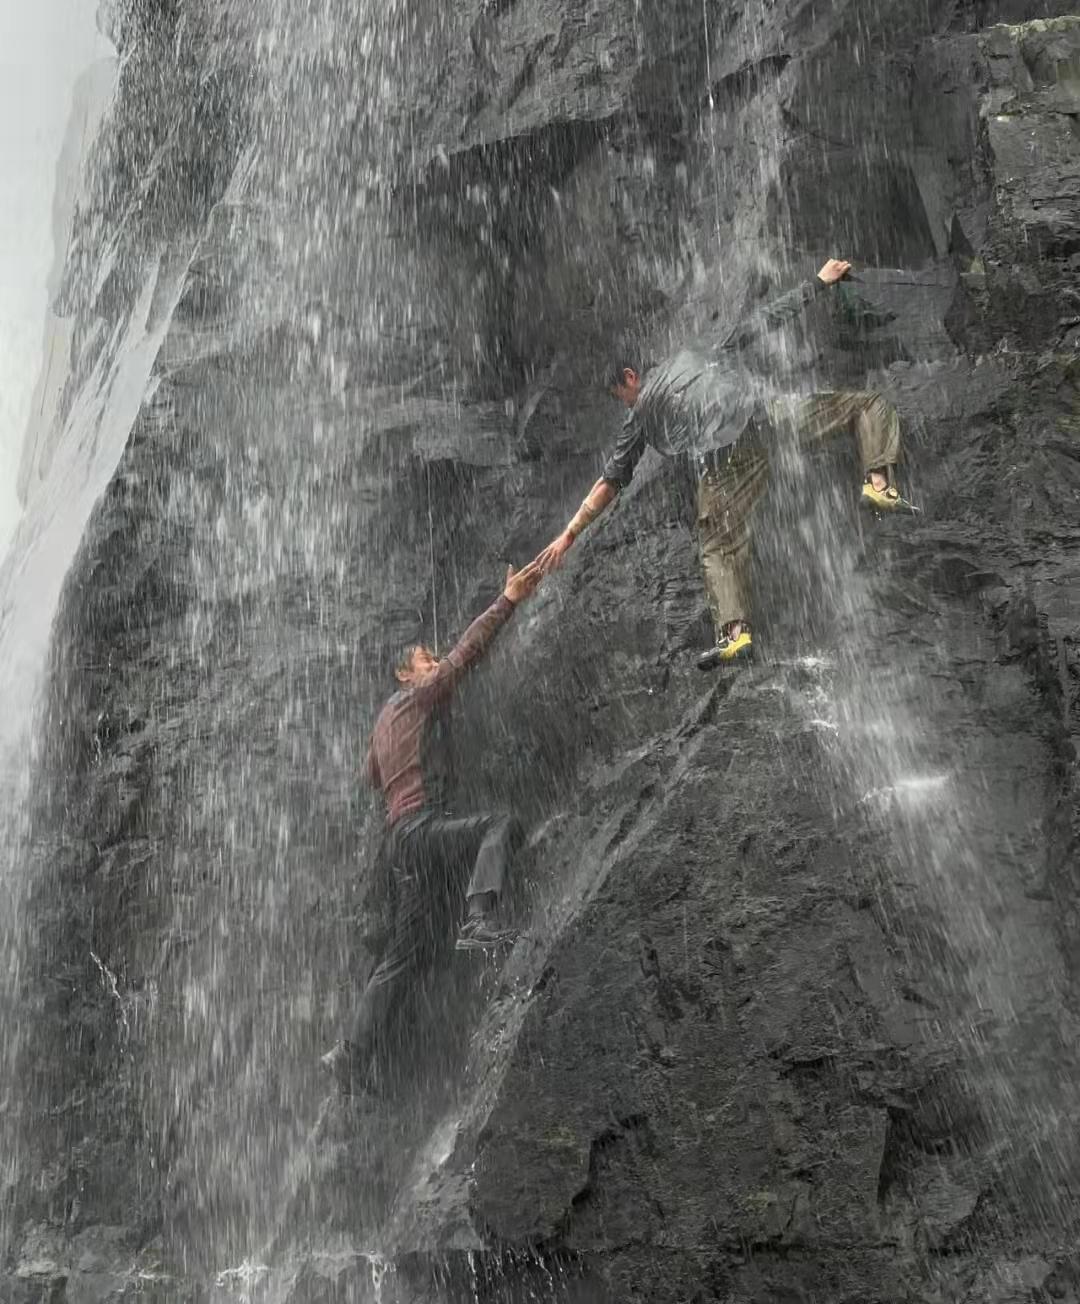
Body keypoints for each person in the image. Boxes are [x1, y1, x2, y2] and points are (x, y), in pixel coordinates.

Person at [534, 259, 917, 669]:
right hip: (763, 418)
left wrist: (568, 536)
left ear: (630, 378)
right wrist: (817, 283)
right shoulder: (697, 352)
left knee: (718, 543)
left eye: (620, 395)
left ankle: (736, 635)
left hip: (723, 458)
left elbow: (608, 483)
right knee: (865, 405)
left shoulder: (641, 412)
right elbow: (761, 321)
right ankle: (878, 483)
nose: (625, 404)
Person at [321, 561, 542, 1093]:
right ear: (405, 674)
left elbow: (371, 774)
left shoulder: (382, 723)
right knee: (502, 824)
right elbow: (463, 659)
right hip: (421, 829)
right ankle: (479, 917)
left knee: (405, 955)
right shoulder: (418, 695)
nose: (435, 663)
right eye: (425, 660)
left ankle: (350, 1052)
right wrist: (507, 599)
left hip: (402, 848)